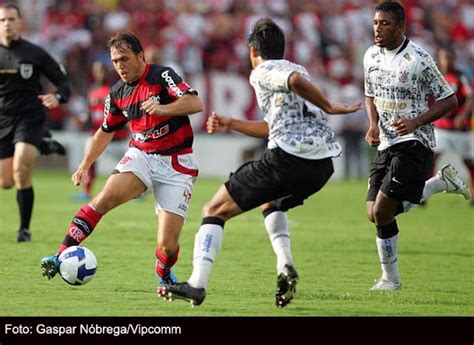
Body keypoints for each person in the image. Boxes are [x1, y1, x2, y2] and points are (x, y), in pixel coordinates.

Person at [158, 17, 362, 307]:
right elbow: (274, 124)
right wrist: (231, 122)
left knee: (214, 209)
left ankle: (197, 284)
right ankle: (285, 265)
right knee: (270, 202)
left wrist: (328, 105)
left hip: (288, 159)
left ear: (253, 51)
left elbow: (293, 83)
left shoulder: (263, 71)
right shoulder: (296, 66)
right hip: (321, 165)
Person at [40, 31, 203, 285]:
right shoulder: (117, 93)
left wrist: (163, 108)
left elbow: (194, 103)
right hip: (141, 156)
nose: (120, 67)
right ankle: (59, 255)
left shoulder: (162, 76)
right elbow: (105, 131)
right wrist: (84, 165)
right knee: (103, 200)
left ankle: (164, 274)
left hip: (177, 165)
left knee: (168, 246)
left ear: (141, 56)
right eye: (115, 62)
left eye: (125, 59)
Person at [363, 2, 470, 291]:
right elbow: (370, 94)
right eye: (375, 22)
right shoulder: (371, 55)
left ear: (400, 26)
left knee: (384, 211)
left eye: (385, 23)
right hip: (386, 142)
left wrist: (416, 122)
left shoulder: (418, 59)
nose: (378, 28)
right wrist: (372, 124)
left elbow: (450, 99)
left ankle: (390, 280)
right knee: (373, 212)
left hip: (415, 143)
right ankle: (438, 184)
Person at [0, 3, 71, 242]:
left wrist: (57, 97)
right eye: (2, 20)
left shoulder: (35, 53)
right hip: (2, 121)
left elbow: (64, 83)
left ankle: (24, 230)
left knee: (21, 171)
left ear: (20, 23)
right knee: (6, 182)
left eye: (10, 19)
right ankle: (42, 143)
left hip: (29, 117)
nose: (6, 24)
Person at [72, 60, 129, 201]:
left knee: (131, 164)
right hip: (99, 137)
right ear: (94, 73)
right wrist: (82, 120)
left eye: (103, 70)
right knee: (88, 155)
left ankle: (134, 192)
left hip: (117, 138)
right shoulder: (92, 92)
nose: (100, 73)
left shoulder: (116, 90)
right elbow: (90, 115)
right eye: (98, 71)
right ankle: (86, 191)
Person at [434, 47, 474, 205]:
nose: (446, 61)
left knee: (468, 161)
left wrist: (463, 115)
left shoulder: (461, 76)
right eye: (443, 57)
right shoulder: (436, 77)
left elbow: (470, 97)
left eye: (449, 57)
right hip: (441, 127)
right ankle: (421, 193)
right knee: (431, 157)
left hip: (459, 129)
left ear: (453, 58)